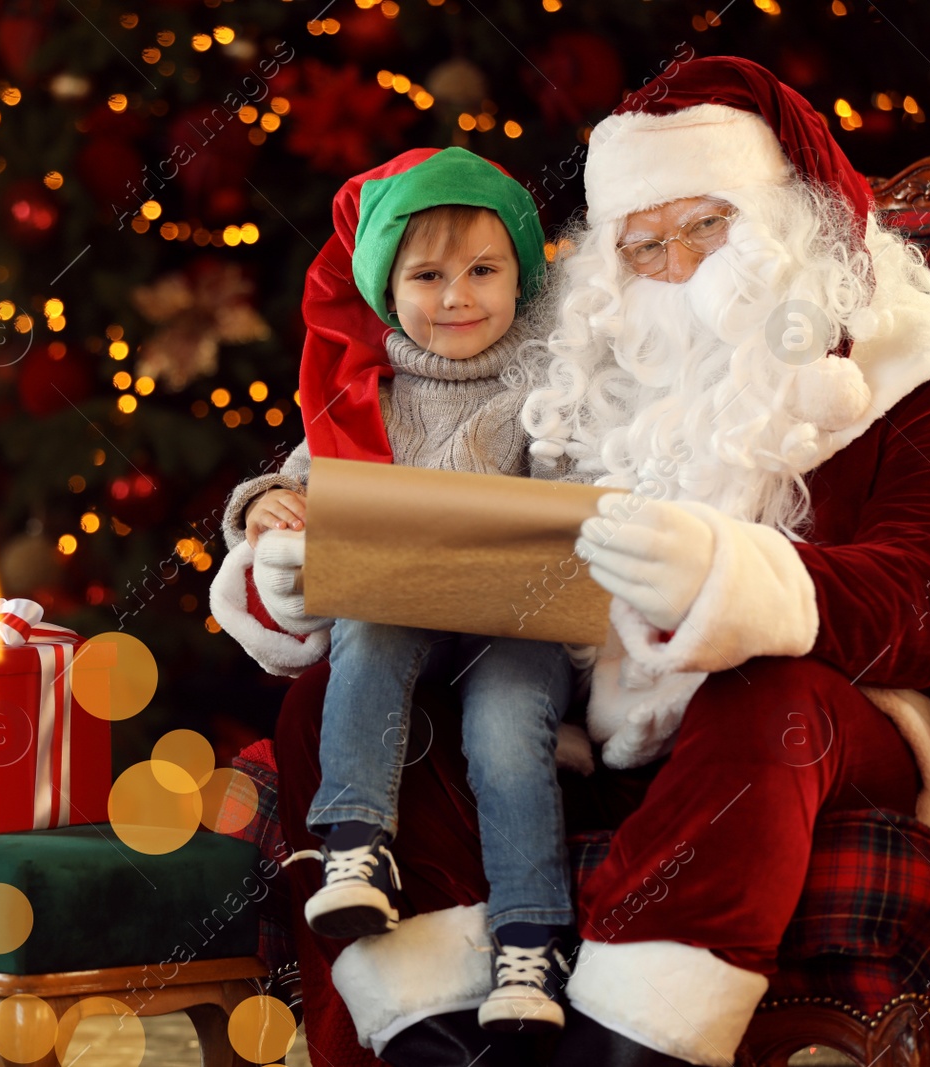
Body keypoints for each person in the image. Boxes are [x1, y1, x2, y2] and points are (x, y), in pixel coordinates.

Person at [213, 56, 930, 1067]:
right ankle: (432, 1031)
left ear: (782, 218)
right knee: (341, 688)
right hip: (570, 709)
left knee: (765, 698)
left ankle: (635, 1037)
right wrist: (300, 575)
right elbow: (450, 530)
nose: (677, 265)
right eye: (643, 245)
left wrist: (725, 579)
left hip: (827, 721)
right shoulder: (577, 375)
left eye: (705, 226)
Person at [215, 146, 596, 1039]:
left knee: (506, 725)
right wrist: (267, 504)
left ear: (522, 275)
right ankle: (354, 847)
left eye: (483, 270)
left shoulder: (544, 383)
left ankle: (530, 943)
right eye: (427, 275)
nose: (457, 296)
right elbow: (310, 481)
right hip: (405, 613)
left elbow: (573, 501)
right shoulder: (368, 394)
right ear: (388, 288)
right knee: (370, 625)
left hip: (515, 624)